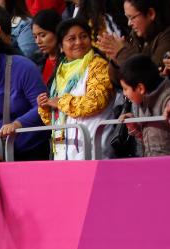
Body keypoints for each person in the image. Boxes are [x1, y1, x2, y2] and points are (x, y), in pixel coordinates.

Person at [37, 19, 114, 160]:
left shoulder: (98, 65)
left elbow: (97, 101)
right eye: (71, 39)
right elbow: (58, 120)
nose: (79, 42)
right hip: (63, 155)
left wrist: (60, 102)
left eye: (83, 36)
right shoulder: (60, 72)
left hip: (93, 153)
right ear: (61, 46)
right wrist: (46, 108)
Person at [97, 0, 170, 84]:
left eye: (132, 17)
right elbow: (118, 82)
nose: (129, 23)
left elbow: (148, 79)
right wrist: (115, 60)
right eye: (127, 18)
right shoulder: (136, 34)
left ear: (151, 14)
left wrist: (121, 52)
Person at [121, 55, 170, 156]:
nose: (124, 93)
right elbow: (152, 141)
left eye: (125, 89)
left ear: (140, 88)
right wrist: (135, 125)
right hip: (153, 166)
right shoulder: (141, 102)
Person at [32, 9, 62, 83]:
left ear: (56, 31)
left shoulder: (69, 61)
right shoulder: (36, 60)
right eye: (35, 37)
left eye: (42, 35)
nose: (38, 41)